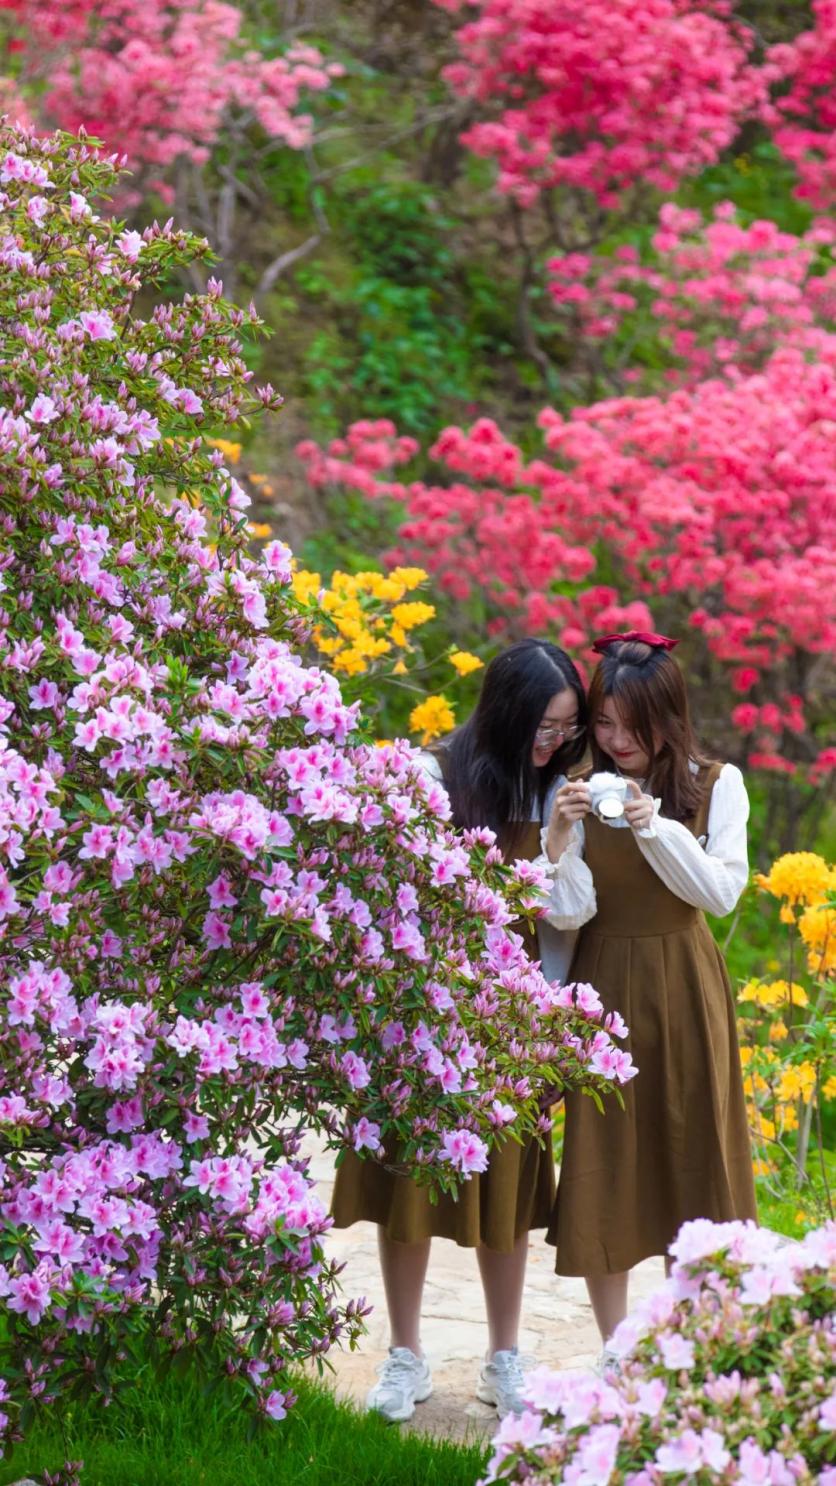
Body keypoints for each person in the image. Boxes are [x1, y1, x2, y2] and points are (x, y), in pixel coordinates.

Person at [331, 638, 587, 1422]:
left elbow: (570, 913)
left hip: (507, 1021)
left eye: (567, 729)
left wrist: (551, 849)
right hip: (419, 1019)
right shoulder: (431, 777)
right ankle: (405, 1355)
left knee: (504, 1199)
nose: (554, 743)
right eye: (545, 727)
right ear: (508, 712)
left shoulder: (557, 793)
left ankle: (503, 1358)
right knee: (408, 1191)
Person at [542, 631, 757, 1355]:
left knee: (693, 1154)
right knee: (604, 1161)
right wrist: (556, 838)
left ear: (669, 717)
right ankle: (616, 1345)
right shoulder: (573, 788)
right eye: (604, 723)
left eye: (633, 727)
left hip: (685, 983)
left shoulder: (715, 783)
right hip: (602, 985)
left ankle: (688, 1336)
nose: (616, 740)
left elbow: (720, 894)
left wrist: (655, 828)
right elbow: (569, 913)